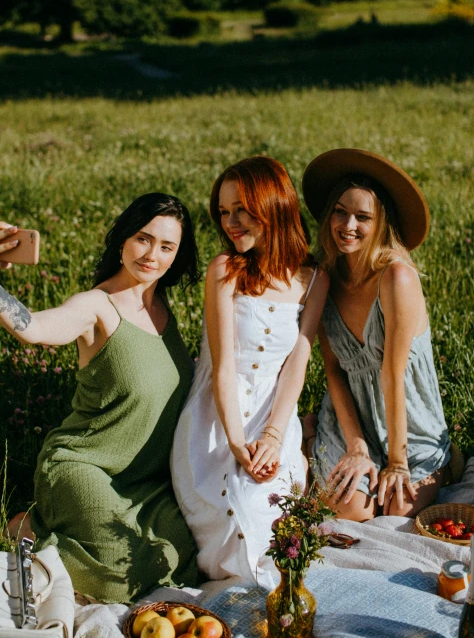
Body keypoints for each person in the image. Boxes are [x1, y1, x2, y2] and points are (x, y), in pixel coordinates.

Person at [0, 193, 200, 603]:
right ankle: (23, 529)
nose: (152, 255)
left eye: (166, 246)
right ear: (123, 240)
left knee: (181, 557)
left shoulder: (162, 307)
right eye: (143, 239)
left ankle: (50, 527)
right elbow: (36, 329)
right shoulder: (96, 306)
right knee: (119, 578)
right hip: (83, 465)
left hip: (146, 481)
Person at [170, 157, 329, 589]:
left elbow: (299, 359)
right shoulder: (225, 270)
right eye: (223, 212)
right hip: (217, 418)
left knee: (273, 511)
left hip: (274, 412)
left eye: (241, 209)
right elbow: (221, 367)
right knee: (233, 510)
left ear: (273, 205)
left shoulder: (313, 278)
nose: (231, 222)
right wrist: (239, 444)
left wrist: (276, 435)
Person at [302, 148, 451, 522]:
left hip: (408, 422)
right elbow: (333, 370)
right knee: (354, 508)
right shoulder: (324, 278)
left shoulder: (396, 278)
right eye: (340, 211)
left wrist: (398, 462)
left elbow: (393, 373)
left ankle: (445, 462)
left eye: (362, 216)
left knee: (397, 506)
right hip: (354, 417)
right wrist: (356, 446)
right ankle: (313, 435)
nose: (347, 224)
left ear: (380, 222)